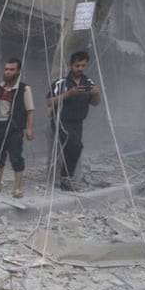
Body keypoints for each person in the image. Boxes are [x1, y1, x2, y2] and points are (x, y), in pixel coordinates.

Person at [46, 51, 101, 191]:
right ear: (71, 65)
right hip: (62, 120)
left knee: (73, 147)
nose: (80, 68)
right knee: (76, 145)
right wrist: (68, 94)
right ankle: (65, 177)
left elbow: (95, 103)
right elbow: (49, 102)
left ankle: (66, 179)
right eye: (77, 65)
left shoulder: (88, 82)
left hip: (78, 122)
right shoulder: (61, 83)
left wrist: (96, 93)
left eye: (83, 65)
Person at [0, 58, 36, 198]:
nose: (8, 72)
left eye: (11, 69)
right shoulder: (0, 88)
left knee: (16, 156)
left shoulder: (24, 89)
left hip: (15, 127)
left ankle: (17, 188)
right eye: (6, 69)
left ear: (18, 71)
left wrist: (30, 129)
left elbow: (30, 110)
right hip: (0, 125)